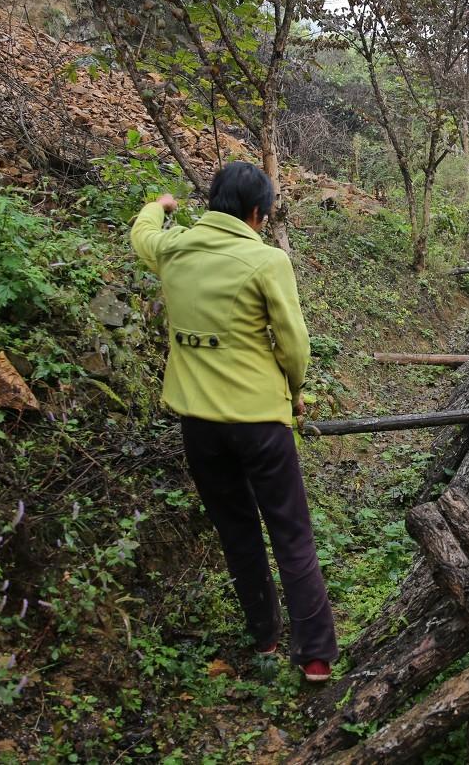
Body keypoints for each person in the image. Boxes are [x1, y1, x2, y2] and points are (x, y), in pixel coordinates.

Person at [130, 161, 338, 681]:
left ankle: (264, 639)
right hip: (260, 423)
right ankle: (314, 655)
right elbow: (294, 345)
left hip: (199, 425)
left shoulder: (173, 251)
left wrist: (160, 205)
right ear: (256, 213)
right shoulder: (266, 261)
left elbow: (144, 236)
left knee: (237, 531)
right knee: (290, 532)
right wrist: (294, 395)